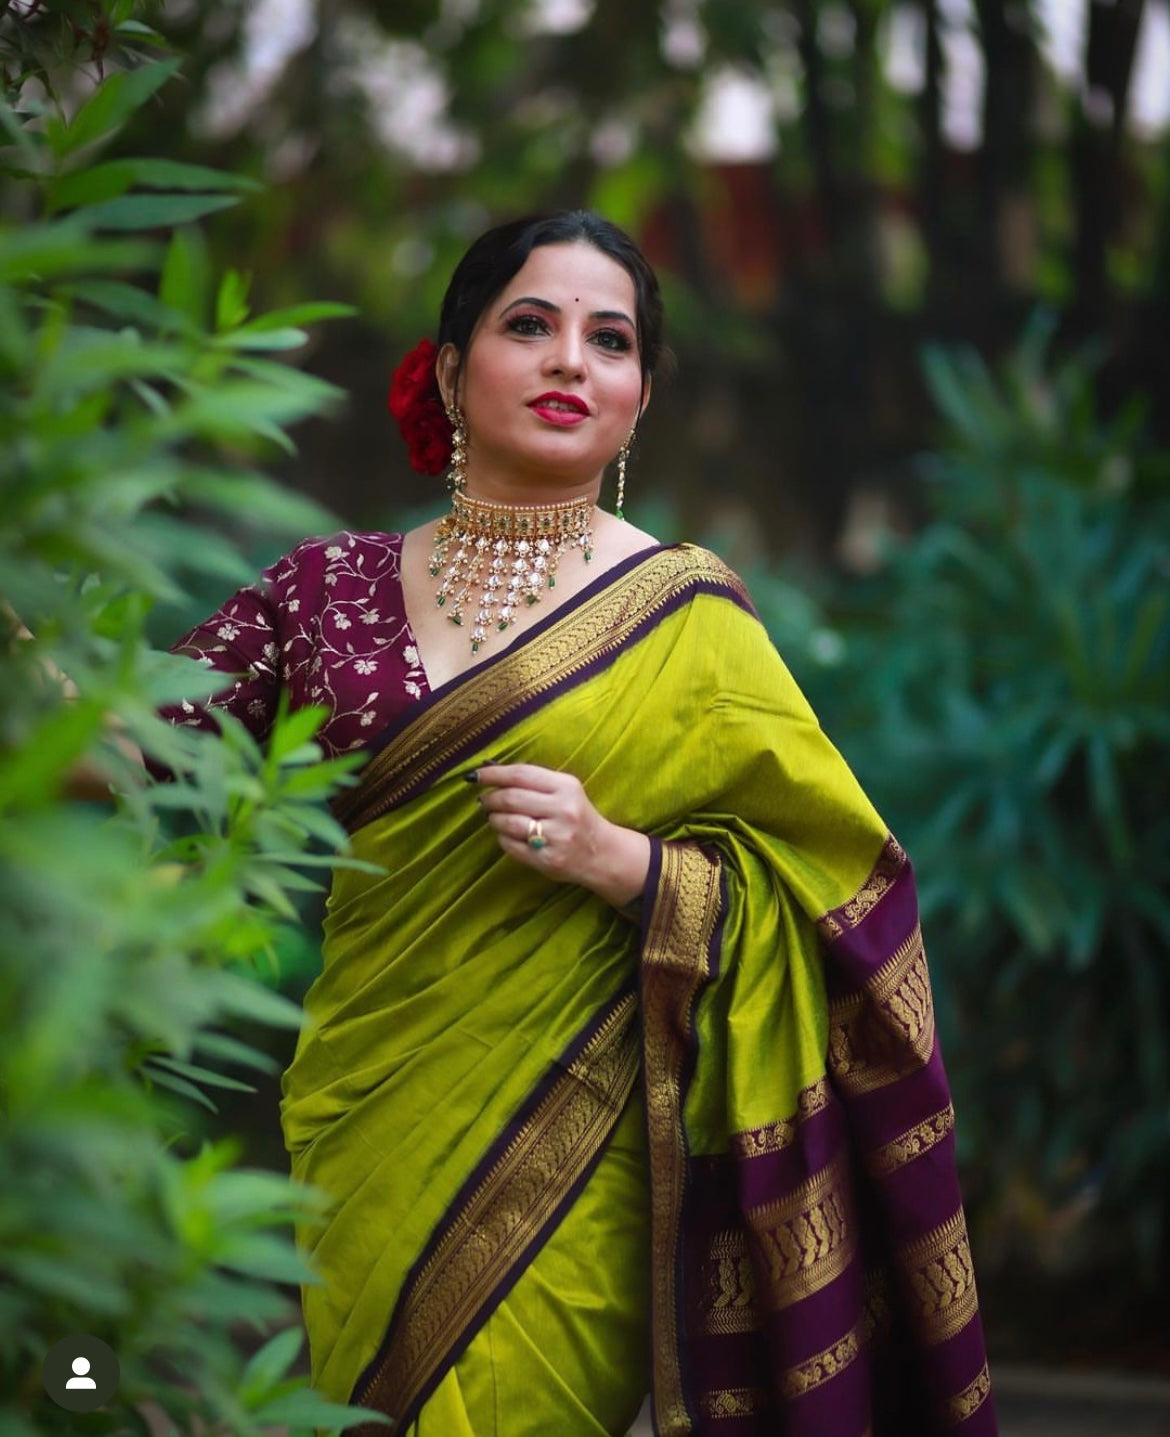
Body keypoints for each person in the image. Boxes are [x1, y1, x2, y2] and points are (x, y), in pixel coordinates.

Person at [157, 211, 997, 1436]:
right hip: (368, 1123)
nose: (570, 361)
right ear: (450, 370)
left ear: (640, 396)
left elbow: (846, 897)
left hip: (571, 1153)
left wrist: (631, 866)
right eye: (529, 326)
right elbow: (146, 751)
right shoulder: (325, 592)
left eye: (609, 341)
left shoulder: (688, 617)